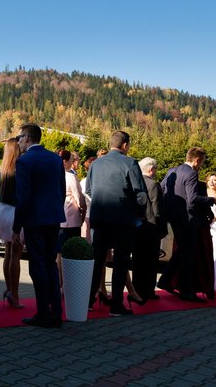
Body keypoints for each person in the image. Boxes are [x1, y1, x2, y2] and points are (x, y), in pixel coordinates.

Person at [85, 131, 147, 316]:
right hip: (122, 219)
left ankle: (88, 300)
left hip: (99, 217)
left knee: (97, 260)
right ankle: (116, 305)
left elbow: (88, 190)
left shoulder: (95, 164)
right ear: (125, 145)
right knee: (120, 261)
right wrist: (140, 213)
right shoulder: (130, 163)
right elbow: (141, 195)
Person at [12, 124, 65, 328]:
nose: (18, 141)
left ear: (27, 138)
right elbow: (60, 190)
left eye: (19, 137)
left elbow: (23, 197)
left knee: (37, 266)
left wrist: (17, 227)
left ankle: (43, 312)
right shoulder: (55, 158)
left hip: (35, 220)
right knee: (50, 263)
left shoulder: (24, 161)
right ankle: (56, 312)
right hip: (53, 218)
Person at [158, 147, 216, 303]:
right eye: (202, 163)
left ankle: (165, 280)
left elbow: (161, 189)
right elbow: (193, 198)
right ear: (197, 160)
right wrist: (212, 200)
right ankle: (186, 291)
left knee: (182, 251)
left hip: (173, 218)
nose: (201, 166)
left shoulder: (171, 171)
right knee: (189, 255)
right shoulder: (191, 174)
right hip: (188, 220)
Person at [0, 137, 24, 308]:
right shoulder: (20, 169)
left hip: (2, 212)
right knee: (16, 254)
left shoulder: (0, 170)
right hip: (15, 213)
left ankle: (8, 289)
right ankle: (14, 294)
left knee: (8, 253)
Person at [132, 157, 164, 301]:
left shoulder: (134, 183)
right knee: (151, 262)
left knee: (138, 260)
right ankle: (148, 291)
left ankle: (136, 289)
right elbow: (157, 209)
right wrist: (161, 229)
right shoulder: (153, 185)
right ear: (151, 169)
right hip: (151, 229)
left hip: (137, 227)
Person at [57, 149, 86, 288]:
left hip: (58, 218)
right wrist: (83, 209)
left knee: (59, 253)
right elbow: (79, 197)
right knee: (69, 253)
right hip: (71, 218)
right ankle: (68, 283)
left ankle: (59, 282)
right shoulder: (70, 177)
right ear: (66, 161)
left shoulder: (54, 175)